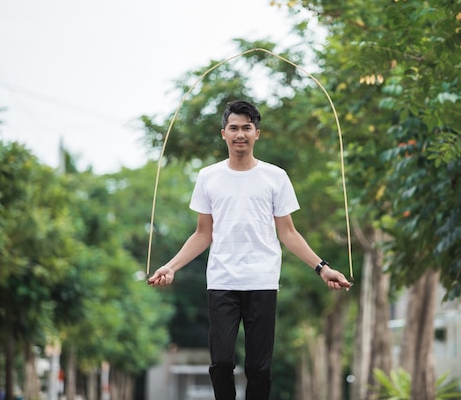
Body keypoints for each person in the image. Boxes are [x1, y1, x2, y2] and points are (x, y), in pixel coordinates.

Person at [148, 100, 352, 400]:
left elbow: (288, 232)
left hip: (262, 281)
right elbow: (203, 234)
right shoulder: (208, 177)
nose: (240, 134)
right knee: (220, 362)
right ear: (223, 134)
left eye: (247, 128)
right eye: (234, 128)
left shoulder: (275, 177)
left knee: (259, 368)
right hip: (222, 281)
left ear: (257, 134)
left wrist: (322, 268)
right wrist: (170, 266)